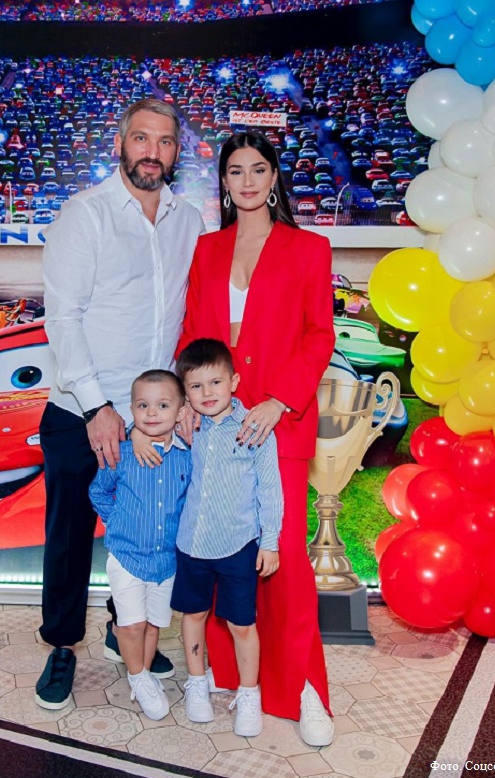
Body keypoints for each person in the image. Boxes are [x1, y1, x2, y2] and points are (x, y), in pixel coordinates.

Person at [35, 98, 205, 710]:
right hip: (81, 409)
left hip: (154, 415)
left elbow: (190, 313)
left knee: (145, 530)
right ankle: (61, 646)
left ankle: (122, 628)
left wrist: (185, 396)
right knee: (70, 534)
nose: (151, 152)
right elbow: (64, 318)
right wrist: (96, 406)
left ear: (177, 152)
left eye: (164, 141)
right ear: (120, 144)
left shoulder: (190, 220)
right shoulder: (85, 214)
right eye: (141, 139)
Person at [176, 131, 336, 746]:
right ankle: (230, 676)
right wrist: (186, 400)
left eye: (258, 169)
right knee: (218, 549)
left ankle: (304, 688)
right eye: (235, 170)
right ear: (223, 181)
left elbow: (319, 335)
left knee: (283, 559)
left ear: (274, 178)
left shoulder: (308, 247)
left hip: (279, 422)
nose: (246, 180)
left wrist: (280, 399)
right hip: (215, 427)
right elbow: (192, 334)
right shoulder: (207, 248)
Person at [172, 338, 283, 737]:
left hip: (238, 545)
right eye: (196, 386)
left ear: (233, 381)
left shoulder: (254, 427)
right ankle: (196, 683)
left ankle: (249, 694)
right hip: (192, 544)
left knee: (241, 624)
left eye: (216, 382)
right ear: (185, 391)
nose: (207, 393)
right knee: (193, 615)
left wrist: (270, 541)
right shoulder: (188, 426)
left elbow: (270, 489)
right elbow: (149, 427)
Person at [89, 370, 191, 721]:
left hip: (166, 562)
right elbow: (99, 491)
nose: (152, 413)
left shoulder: (186, 457)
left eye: (162, 405)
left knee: (152, 625)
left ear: (180, 411)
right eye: (143, 405)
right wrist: (117, 522)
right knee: (131, 625)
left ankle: (144, 675)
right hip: (127, 557)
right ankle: (137, 676)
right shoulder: (122, 454)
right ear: (131, 410)